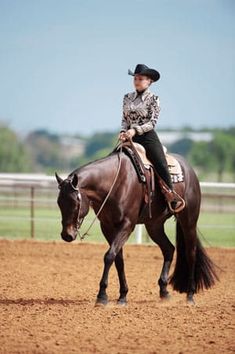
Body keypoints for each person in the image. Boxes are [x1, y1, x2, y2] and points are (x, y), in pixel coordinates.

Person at [118, 64, 184, 212]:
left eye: (140, 79)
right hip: (128, 137)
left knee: (160, 163)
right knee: (114, 160)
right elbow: (124, 118)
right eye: (135, 78)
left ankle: (171, 195)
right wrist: (123, 131)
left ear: (149, 81)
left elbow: (152, 122)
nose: (137, 81)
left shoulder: (154, 99)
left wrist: (135, 131)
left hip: (147, 137)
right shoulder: (127, 97)